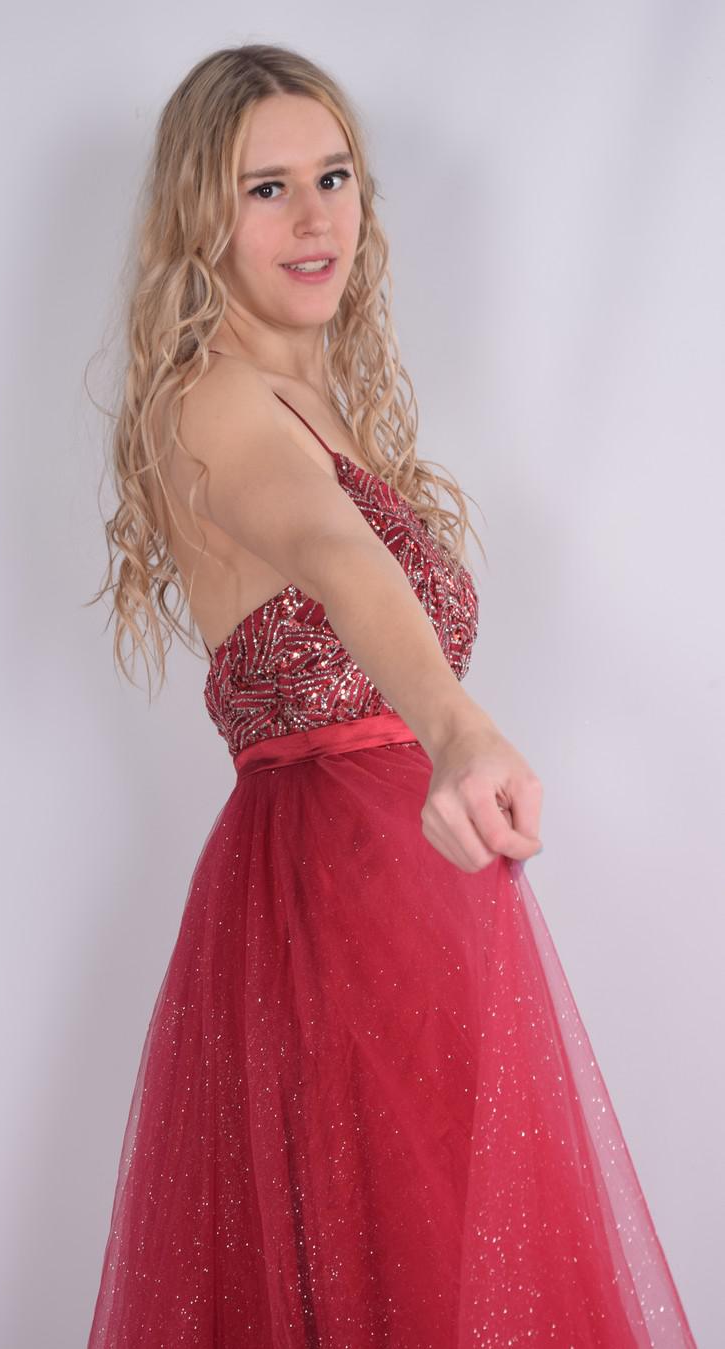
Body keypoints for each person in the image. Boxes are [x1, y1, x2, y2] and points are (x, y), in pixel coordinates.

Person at [85, 43, 696, 1348]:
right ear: (200, 217)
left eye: (334, 176)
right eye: (265, 190)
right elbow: (337, 555)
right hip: (342, 894)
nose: (314, 218)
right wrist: (458, 724)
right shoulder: (213, 403)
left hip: (416, 889)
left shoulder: (313, 402)